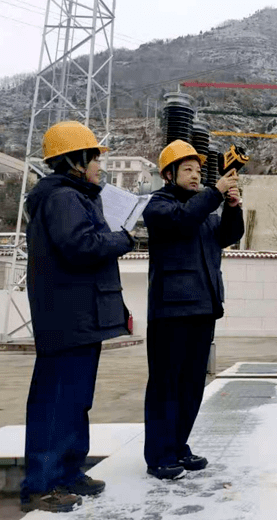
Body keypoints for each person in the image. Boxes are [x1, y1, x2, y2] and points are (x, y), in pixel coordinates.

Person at [21, 121, 135, 513]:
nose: (100, 166)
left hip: (78, 316)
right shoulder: (63, 198)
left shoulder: (72, 196)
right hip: (67, 318)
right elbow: (81, 245)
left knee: (74, 401)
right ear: (75, 161)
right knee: (55, 403)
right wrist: (123, 238)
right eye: (95, 158)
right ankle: (42, 485)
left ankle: (68, 473)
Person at [143, 140, 243, 480]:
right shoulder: (159, 206)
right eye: (187, 169)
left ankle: (178, 446)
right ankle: (159, 455)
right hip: (170, 311)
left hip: (202, 308)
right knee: (166, 384)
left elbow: (228, 235)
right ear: (168, 175)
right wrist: (216, 193)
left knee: (190, 385)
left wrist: (232, 207)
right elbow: (183, 220)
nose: (195, 175)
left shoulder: (203, 211)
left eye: (198, 170)